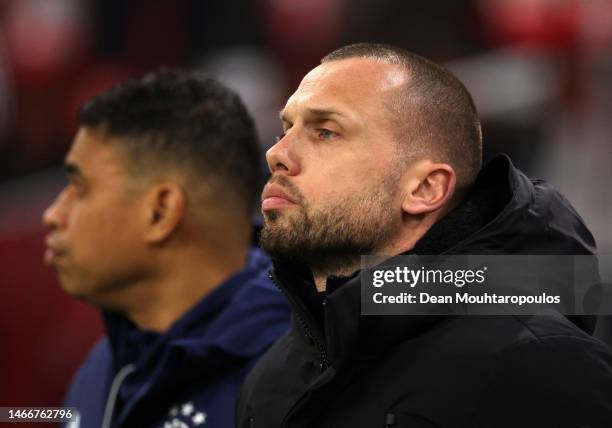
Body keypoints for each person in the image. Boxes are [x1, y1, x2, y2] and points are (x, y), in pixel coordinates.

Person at [236, 43, 612, 427]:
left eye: (326, 132)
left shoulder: (540, 366)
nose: (277, 153)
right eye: (286, 129)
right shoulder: (272, 375)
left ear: (425, 189)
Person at [42, 69, 290, 428]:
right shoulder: (103, 367)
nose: (52, 215)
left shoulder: (302, 374)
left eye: (79, 189)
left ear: (160, 212)